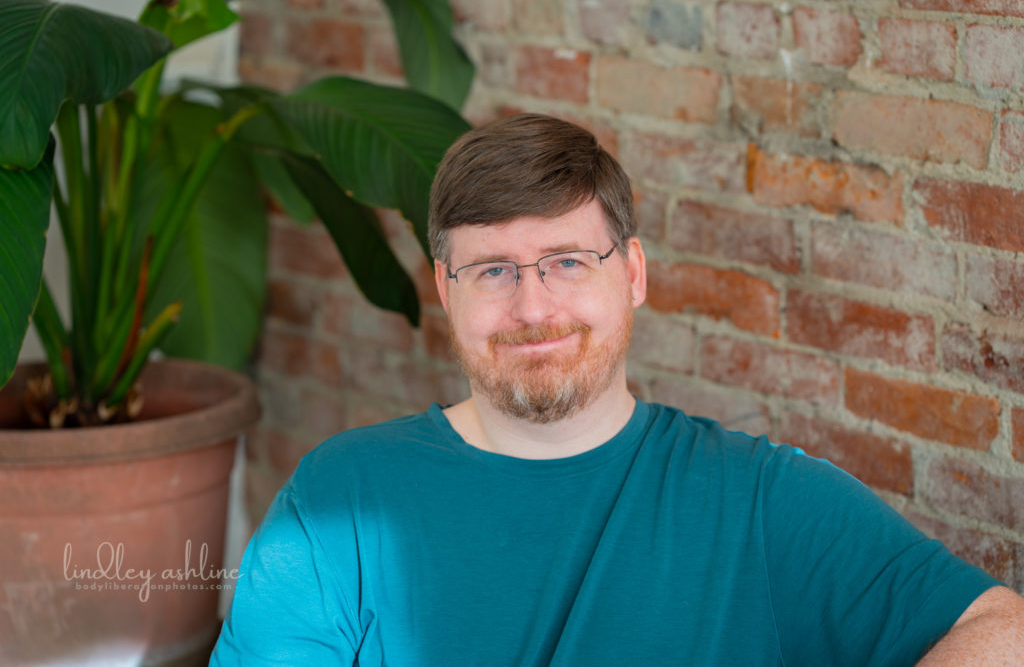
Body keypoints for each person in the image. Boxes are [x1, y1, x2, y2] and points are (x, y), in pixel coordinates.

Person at [211, 113, 1024, 665]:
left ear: (631, 274)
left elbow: (998, 629)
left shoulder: (758, 501)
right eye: (494, 271)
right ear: (444, 288)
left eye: (569, 261)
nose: (534, 307)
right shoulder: (342, 502)